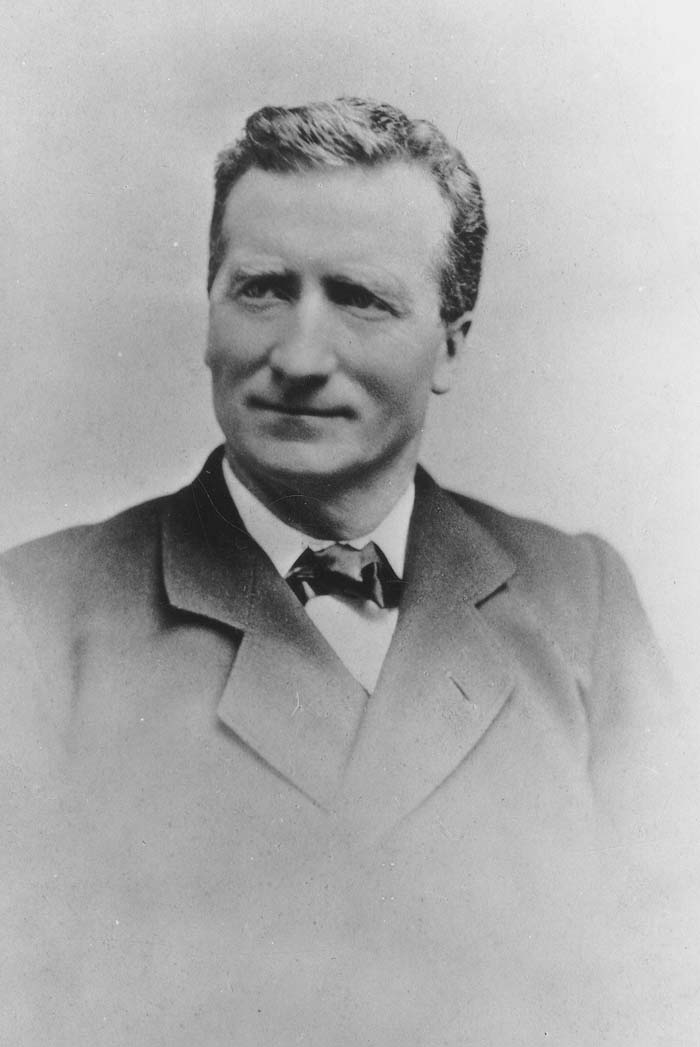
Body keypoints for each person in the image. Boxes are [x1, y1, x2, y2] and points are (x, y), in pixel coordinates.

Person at [1, 98, 696, 1045]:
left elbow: (667, 983)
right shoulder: (33, 619)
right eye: (260, 289)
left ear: (451, 342)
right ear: (207, 314)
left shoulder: (582, 602)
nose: (297, 356)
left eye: (361, 298)